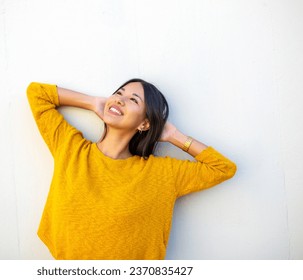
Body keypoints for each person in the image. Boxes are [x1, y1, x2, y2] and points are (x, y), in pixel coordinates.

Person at [27, 78, 236, 260]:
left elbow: (222, 168)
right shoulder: (72, 150)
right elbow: (37, 93)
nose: (120, 99)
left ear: (144, 124)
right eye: (119, 93)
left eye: (133, 99)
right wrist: (93, 103)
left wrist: (174, 136)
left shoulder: (161, 173)